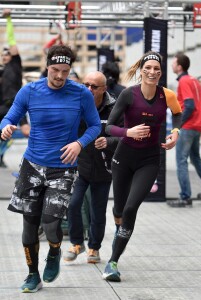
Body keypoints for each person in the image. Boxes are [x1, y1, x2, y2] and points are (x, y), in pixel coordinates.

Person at [0, 44, 101, 293]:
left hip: (63, 167)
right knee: (29, 224)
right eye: (55, 70)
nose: (59, 76)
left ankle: (54, 250)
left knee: (50, 223)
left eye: (65, 71)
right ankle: (33, 275)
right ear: (47, 66)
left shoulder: (81, 93)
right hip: (32, 165)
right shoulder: (29, 91)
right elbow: (9, 117)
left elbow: (95, 126)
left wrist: (79, 144)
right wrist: (5, 127)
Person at [102, 51, 182, 282]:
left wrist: (176, 132)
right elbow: (109, 129)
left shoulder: (167, 95)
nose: (152, 72)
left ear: (161, 72)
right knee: (118, 210)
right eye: (148, 68)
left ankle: (113, 262)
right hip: (123, 158)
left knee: (130, 209)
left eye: (157, 69)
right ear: (141, 70)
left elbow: (178, 115)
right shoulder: (129, 94)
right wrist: (128, 131)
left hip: (149, 160)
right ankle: (121, 230)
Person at [64, 71, 120, 264]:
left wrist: (109, 142)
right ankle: (76, 243)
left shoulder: (114, 108)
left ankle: (94, 248)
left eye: (94, 86)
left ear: (104, 89)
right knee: (72, 205)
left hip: (104, 169)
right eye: (86, 84)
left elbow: (124, 136)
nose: (89, 89)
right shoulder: (77, 105)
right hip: (80, 167)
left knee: (98, 211)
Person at [167, 52, 201, 208]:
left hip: (187, 127)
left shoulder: (184, 81)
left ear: (179, 66)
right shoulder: (194, 80)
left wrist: (178, 125)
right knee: (196, 159)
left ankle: (185, 197)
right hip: (197, 125)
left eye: (174, 63)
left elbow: (189, 105)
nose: (172, 65)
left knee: (181, 161)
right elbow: (200, 102)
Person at [0, 9, 23, 168]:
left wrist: (8, 20)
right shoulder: (2, 70)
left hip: (13, 105)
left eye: (7, 53)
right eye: (3, 54)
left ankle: (1, 154)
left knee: (9, 134)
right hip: (2, 106)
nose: (5, 55)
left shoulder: (15, 65)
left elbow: (11, 41)